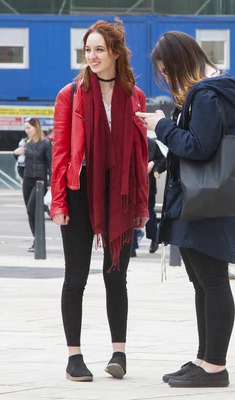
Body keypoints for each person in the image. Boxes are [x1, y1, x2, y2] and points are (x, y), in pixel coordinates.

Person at [136, 30, 235, 388]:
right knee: (203, 282)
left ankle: (215, 366)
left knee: (212, 281)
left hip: (206, 204)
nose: (166, 78)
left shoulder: (204, 95)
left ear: (182, 62)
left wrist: (162, 126)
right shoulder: (208, 94)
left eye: (167, 71)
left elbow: (199, 147)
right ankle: (204, 359)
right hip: (201, 201)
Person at [50, 20, 150, 382]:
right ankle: (74, 356)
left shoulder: (134, 96)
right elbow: (60, 152)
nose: (91, 56)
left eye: (99, 50)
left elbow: (140, 157)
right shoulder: (71, 94)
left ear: (115, 53)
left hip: (119, 192)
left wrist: (141, 205)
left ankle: (118, 353)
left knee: (116, 276)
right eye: (87, 50)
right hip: (80, 191)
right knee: (75, 277)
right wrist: (58, 201)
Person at [14, 117, 52, 252]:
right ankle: (36, 239)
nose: (27, 130)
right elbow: (20, 161)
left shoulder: (46, 144)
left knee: (32, 209)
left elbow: (50, 164)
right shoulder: (24, 143)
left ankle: (38, 240)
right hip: (27, 180)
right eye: (25, 128)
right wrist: (15, 153)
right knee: (30, 213)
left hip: (40, 181)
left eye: (29, 128)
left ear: (36, 128)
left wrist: (50, 183)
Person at [146, 137, 166, 252]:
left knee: (149, 213)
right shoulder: (127, 139)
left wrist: (154, 167)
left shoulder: (152, 143)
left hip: (148, 185)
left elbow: (162, 159)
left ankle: (154, 238)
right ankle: (131, 247)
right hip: (132, 184)